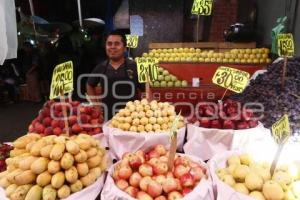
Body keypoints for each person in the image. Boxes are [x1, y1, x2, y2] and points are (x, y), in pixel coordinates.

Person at [86, 30, 144, 120]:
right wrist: (96, 106)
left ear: (125, 48)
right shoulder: (101, 67)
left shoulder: (134, 66)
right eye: (109, 44)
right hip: (108, 118)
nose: (112, 47)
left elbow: (146, 89)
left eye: (117, 44)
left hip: (132, 119)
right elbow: (89, 84)